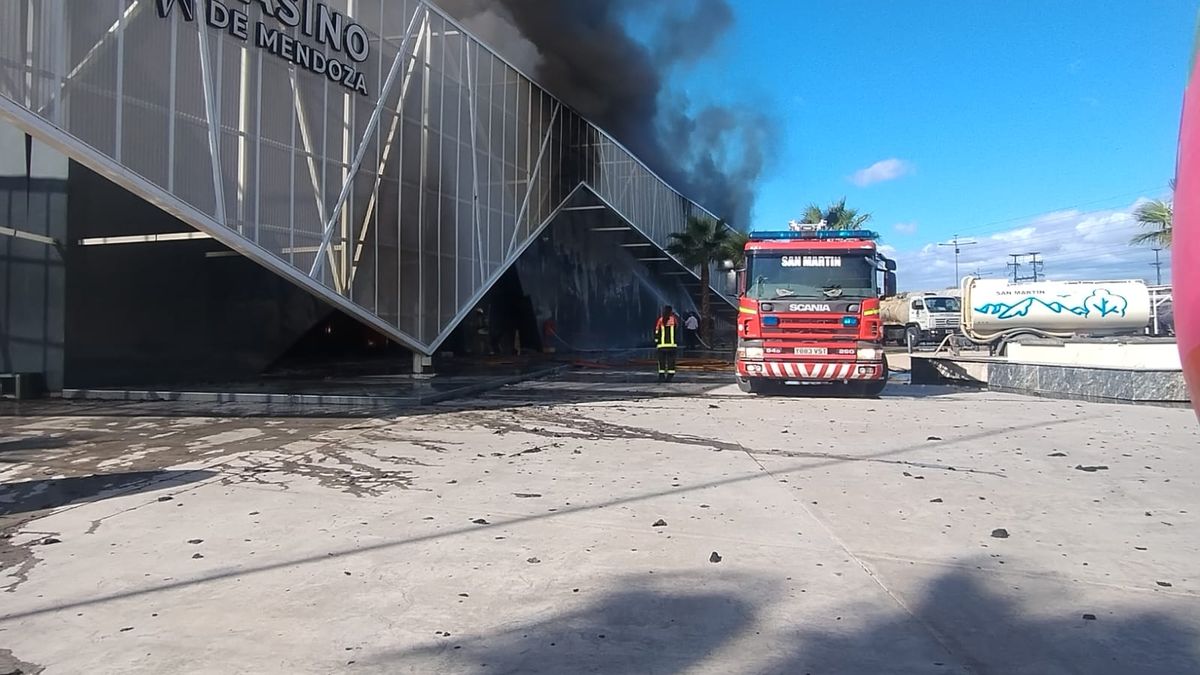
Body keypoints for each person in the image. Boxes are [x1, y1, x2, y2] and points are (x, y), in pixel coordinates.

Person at [654, 305, 679, 382]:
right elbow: (676, 328)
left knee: (662, 361)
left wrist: (656, 341)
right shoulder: (674, 319)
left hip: (661, 345)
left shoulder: (660, 320)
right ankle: (670, 377)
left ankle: (661, 376)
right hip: (672, 346)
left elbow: (657, 331)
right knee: (671, 362)